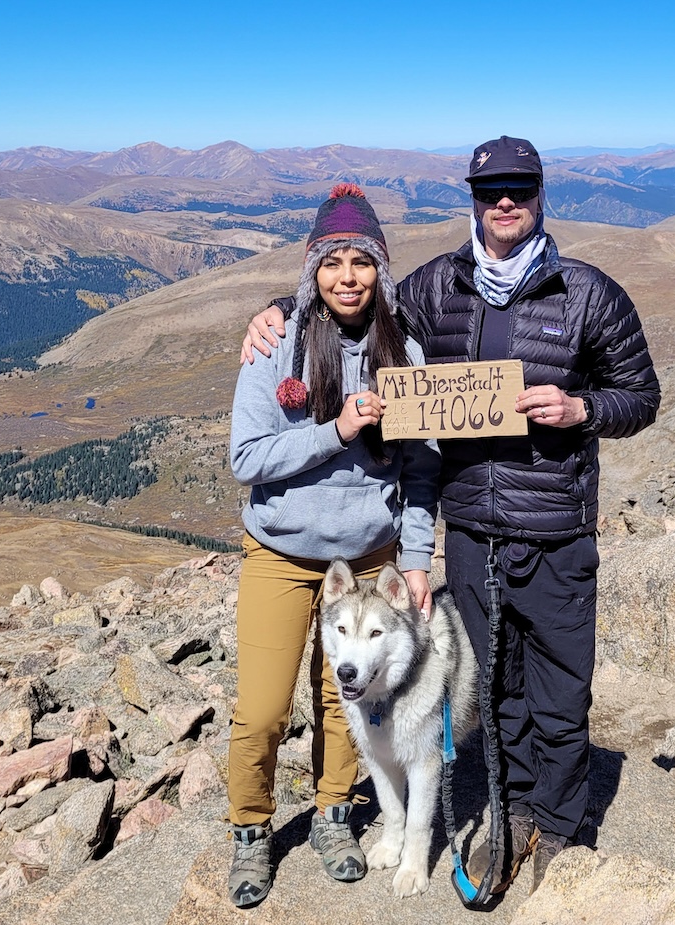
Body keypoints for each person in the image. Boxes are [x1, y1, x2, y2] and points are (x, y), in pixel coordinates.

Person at [241, 136, 660, 896]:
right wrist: (275, 311)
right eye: (490, 188)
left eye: (520, 187)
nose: (505, 200)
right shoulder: (438, 287)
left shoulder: (590, 292)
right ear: (472, 196)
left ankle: (560, 831)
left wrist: (583, 407)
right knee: (493, 687)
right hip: (472, 529)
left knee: (561, 688)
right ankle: (511, 810)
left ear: (540, 193)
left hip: (557, 522)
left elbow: (642, 396)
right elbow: (351, 297)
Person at [227, 182, 439, 907]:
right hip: (283, 554)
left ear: (380, 268)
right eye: (334, 261)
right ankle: (251, 828)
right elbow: (247, 458)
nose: (348, 276)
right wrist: (337, 429)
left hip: (371, 560)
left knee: (352, 703)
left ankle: (333, 813)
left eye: (363, 261)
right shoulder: (274, 343)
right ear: (312, 269)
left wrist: (415, 558)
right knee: (260, 708)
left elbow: (420, 464)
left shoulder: (402, 346)